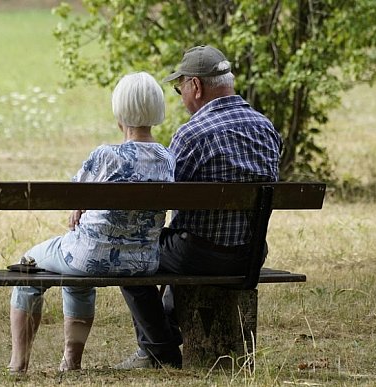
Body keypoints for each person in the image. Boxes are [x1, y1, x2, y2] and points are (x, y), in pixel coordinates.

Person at [114, 45, 282, 369]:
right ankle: (160, 341)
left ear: (196, 86)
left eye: (180, 90)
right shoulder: (267, 128)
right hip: (250, 255)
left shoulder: (192, 134)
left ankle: (159, 350)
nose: (181, 98)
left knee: (129, 252)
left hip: (200, 256)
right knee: (180, 241)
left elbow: (163, 199)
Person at [8, 71, 176, 373]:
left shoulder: (106, 156)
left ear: (119, 112)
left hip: (90, 257)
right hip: (143, 262)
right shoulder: (167, 158)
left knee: (28, 264)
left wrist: (79, 206)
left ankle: (18, 364)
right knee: (75, 271)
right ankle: (70, 361)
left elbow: (72, 195)